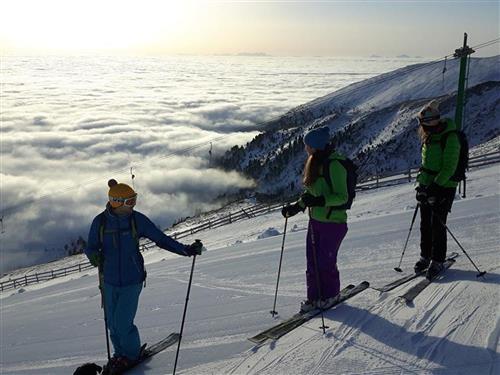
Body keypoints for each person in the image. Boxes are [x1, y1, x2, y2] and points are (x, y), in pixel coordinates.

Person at [85, 179, 203, 373]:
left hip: (132, 279)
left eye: (134, 200)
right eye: (129, 202)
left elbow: (160, 239)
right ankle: (120, 353)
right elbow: (90, 247)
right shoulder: (100, 222)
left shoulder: (136, 220)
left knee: (123, 323)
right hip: (108, 281)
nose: (133, 205)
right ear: (116, 202)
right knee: (112, 324)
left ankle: (130, 355)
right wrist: (93, 256)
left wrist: (186, 250)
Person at [281, 126, 349, 313]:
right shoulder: (315, 163)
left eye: (308, 145)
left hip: (333, 223)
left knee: (325, 262)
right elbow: (311, 193)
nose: (305, 149)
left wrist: (319, 201)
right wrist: (297, 207)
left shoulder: (335, 165)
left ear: (317, 146)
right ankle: (314, 298)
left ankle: (331, 295)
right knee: (312, 262)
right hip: (316, 222)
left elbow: (342, 196)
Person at [414, 100, 460, 280]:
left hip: (444, 186)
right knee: (425, 222)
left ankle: (438, 259)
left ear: (431, 121)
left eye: (423, 122)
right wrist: (421, 186)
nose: (421, 126)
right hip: (428, 185)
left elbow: (449, 167)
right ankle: (425, 256)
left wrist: (435, 186)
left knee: (437, 223)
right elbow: (426, 165)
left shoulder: (450, 137)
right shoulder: (429, 135)